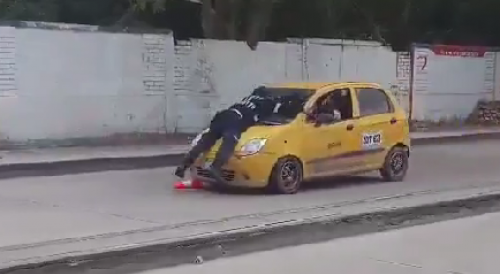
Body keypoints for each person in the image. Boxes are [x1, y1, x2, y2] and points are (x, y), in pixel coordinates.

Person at [174, 86, 281, 184]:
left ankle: (184, 164)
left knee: (206, 141)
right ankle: (216, 166)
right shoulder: (265, 103)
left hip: (222, 115)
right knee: (230, 141)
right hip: (235, 120)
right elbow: (273, 112)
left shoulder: (246, 99)